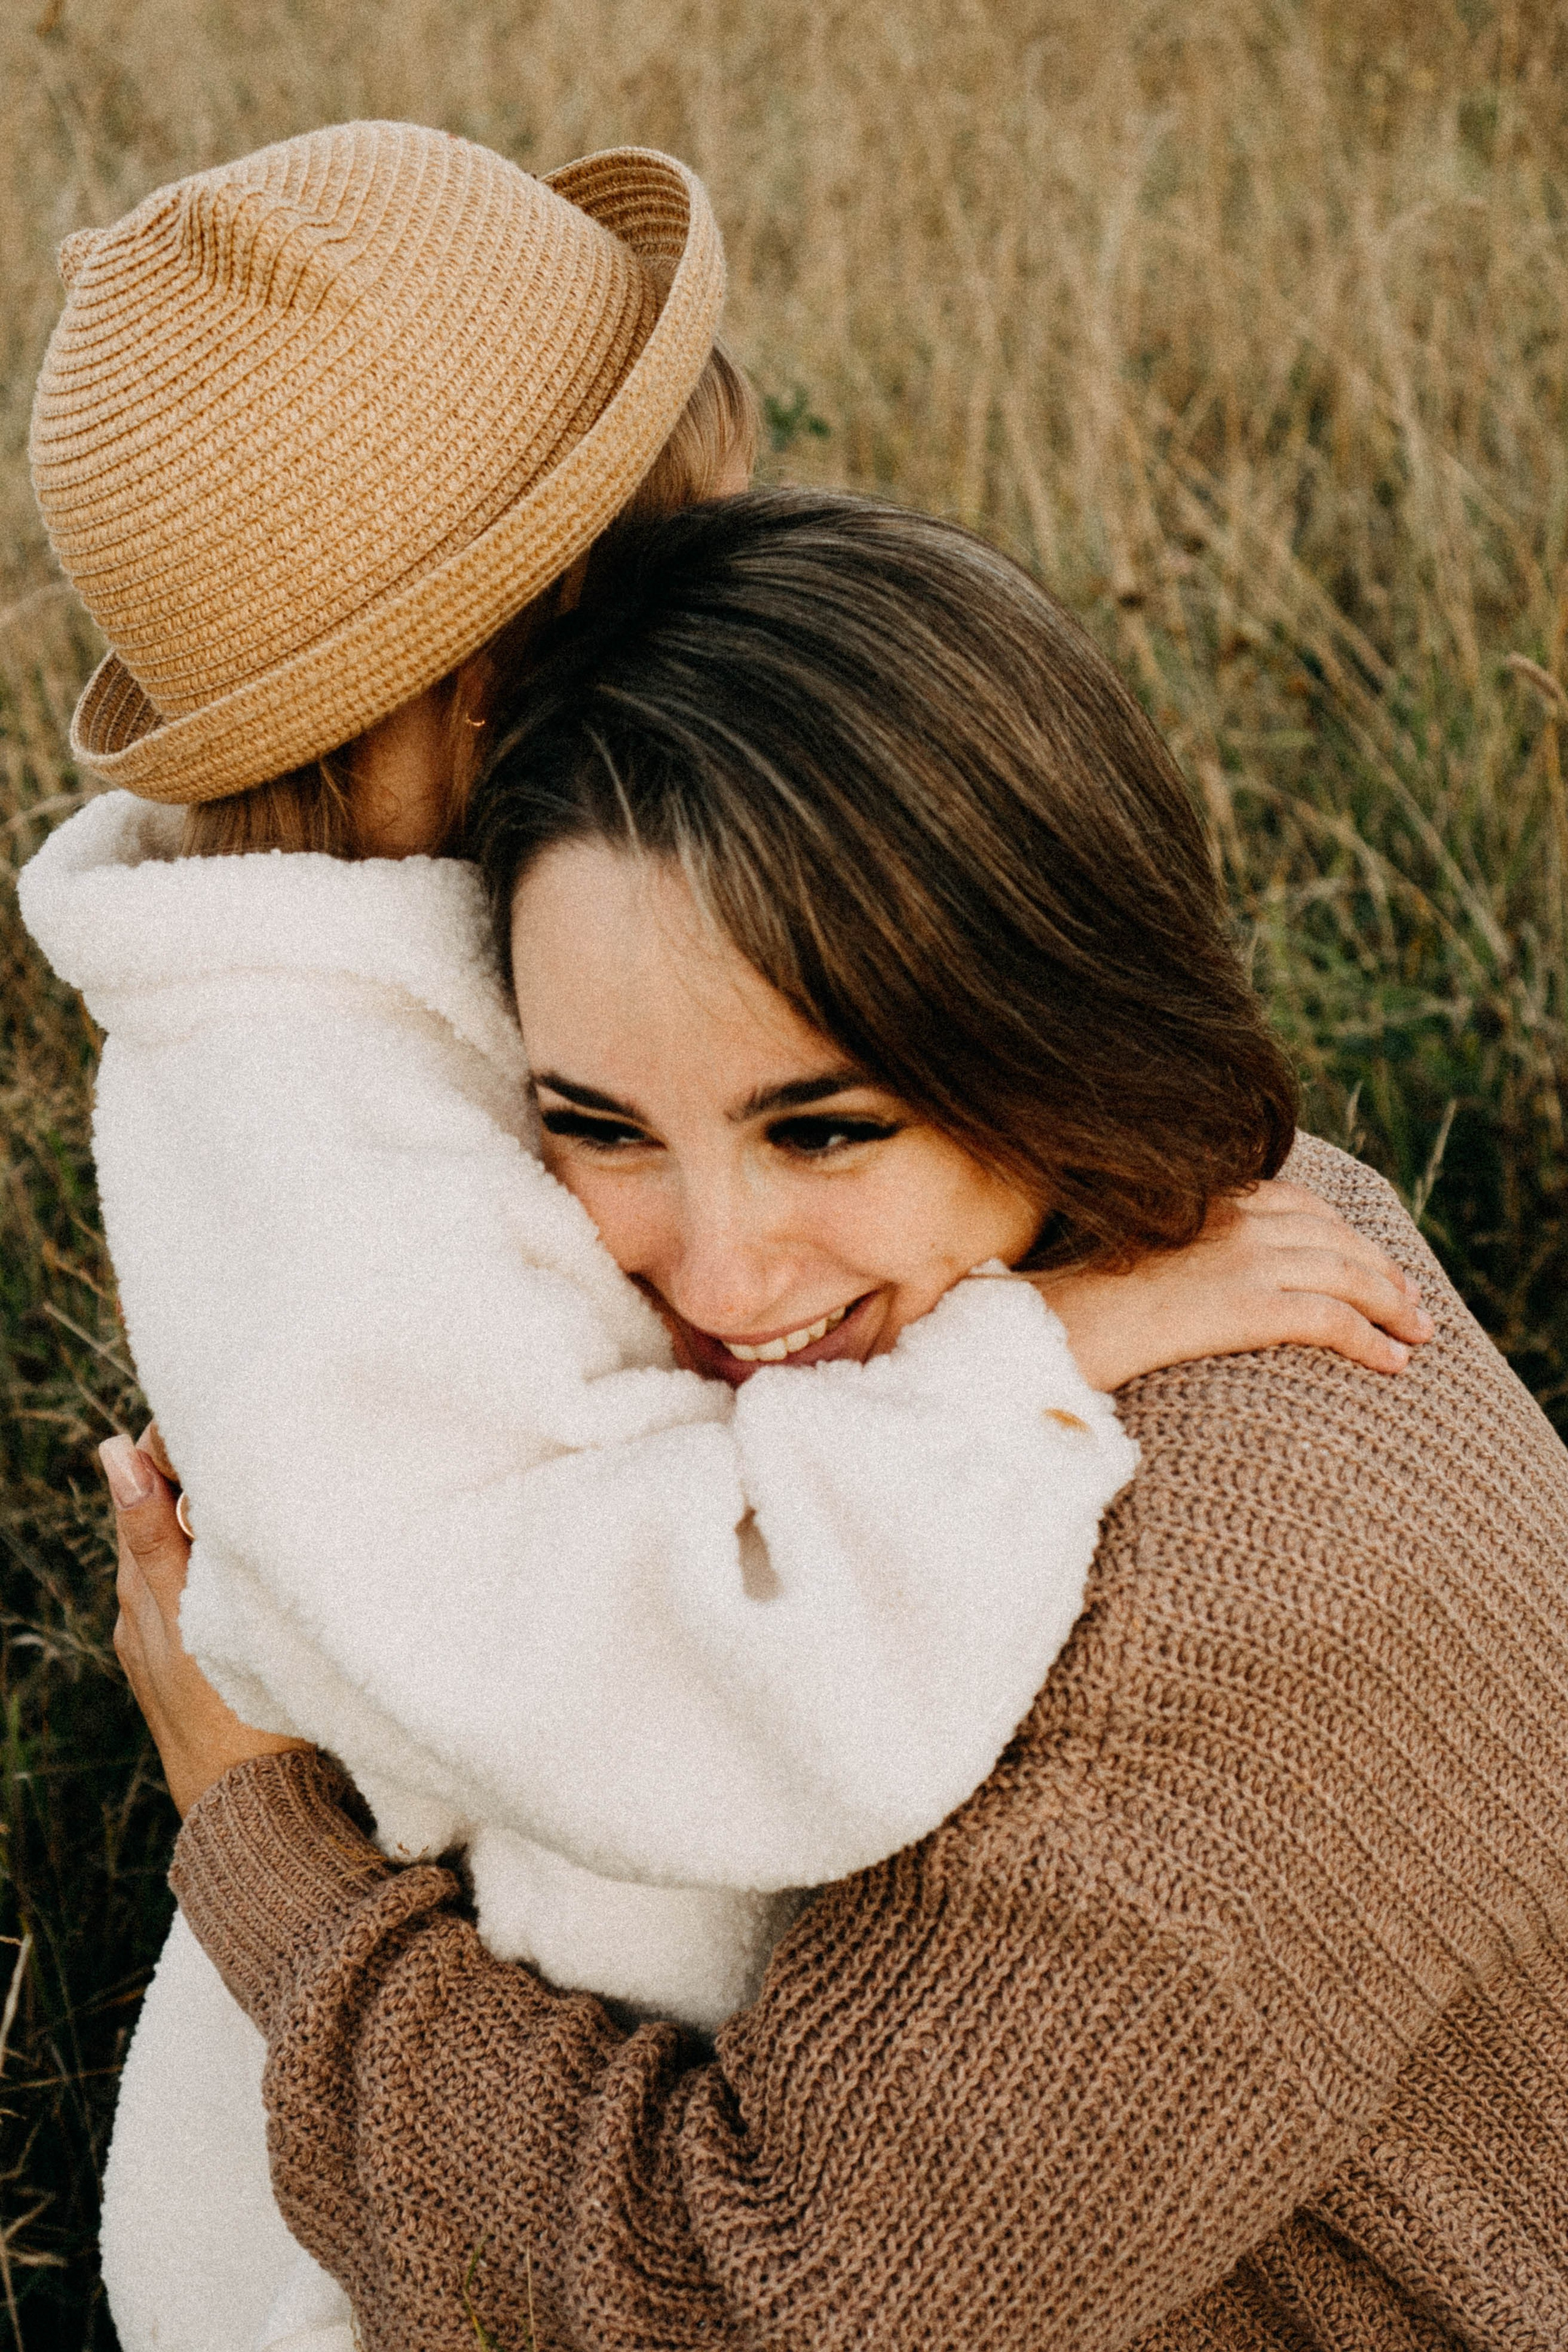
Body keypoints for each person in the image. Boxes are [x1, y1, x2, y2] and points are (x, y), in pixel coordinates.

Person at [20, 128, 1428, 2352]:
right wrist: (1026, 1357)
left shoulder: (452, 954)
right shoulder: (306, 1148)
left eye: (822, 1120)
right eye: (669, 530)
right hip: (432, 2217)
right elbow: (679, 1685)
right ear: (514, 646)